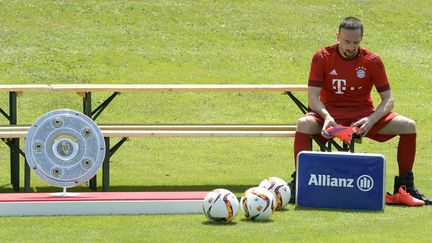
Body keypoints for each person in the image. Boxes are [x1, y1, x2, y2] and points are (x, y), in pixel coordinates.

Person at [289, 16, 430, 206]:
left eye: (356, 42)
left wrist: (371, 120)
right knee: (303, 124)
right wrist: (327, 116)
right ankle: (300, 183)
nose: (351, 47)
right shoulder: (322, 57)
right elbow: (313, 97)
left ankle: (404, 188)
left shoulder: (372, 61)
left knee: (408, 126)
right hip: (330, 117)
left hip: (363, 119)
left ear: (362, 38)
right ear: (338, 36)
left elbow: (388, 99)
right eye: (346, 41)